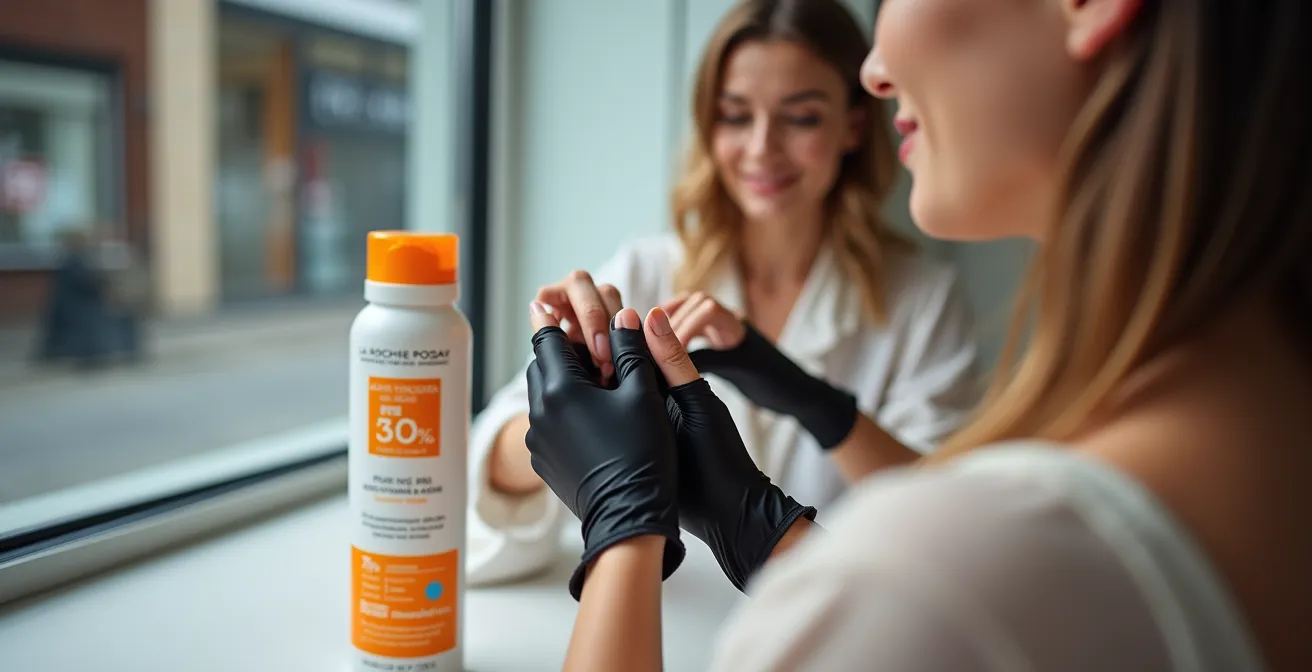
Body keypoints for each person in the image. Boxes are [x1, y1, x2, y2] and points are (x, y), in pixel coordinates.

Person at [522, 0, 1312, 669]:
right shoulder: (1273, 441)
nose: (875, 69)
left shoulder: (936, 579)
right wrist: (760, 527)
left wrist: (623, 521)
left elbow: (924, 589)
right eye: (737, 115)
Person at [467, 0, 982, 587]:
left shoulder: (922, 300)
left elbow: (945, 523)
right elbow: (484, 479)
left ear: (854, 125)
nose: (762, 148)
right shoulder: (644, 275)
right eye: (736, 116)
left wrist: (814, 403)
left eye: (802, 118)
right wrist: (570, 414)